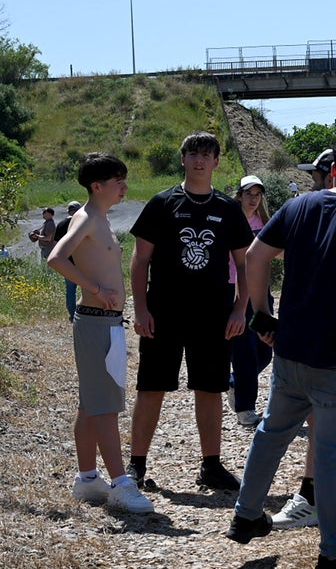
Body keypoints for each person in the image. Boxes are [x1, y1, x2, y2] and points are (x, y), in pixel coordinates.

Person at [226, 131, 336, 569]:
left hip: (290, 352)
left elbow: (255, 257)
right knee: (333, 454)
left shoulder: (299, 205)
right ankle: (335, 551)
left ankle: (246, 516)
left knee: (271, 433)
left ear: (333, 170)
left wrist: (262, 316)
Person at [127, 131, 254, 492]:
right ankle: (136, 466)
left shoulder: (228, 208)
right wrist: (140, 308)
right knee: (151, 386)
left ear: (217, 162)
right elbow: (140, 260)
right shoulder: (162, 203)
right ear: (183, 159)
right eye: (193, 154)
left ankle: (210, 465)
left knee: (210, 388)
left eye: (207, 154)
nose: (199, 160)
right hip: (163, 311)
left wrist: (240, 309)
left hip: (214, 314)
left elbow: (243, 264)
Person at [48, 152, 154, 514]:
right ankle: (122, 484)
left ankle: (88, 478)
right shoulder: (87, 218)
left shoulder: (100, 218)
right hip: (95, 320)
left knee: (90, 402)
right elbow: (56, 257)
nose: (124, 187)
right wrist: (95, 288)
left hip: (103, 322)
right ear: (97, 186)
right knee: (106, 405)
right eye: (118, 181)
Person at [228, 176, 274, 427]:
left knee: (265, 351)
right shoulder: (230, 220)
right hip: (236, 290)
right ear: (239, 195)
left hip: (261, 290)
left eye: (257, 194)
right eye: (249, 193)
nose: (253, 199)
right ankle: (245, 409)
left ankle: (235, 382)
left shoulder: (264, 222)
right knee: (244, 351)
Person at [54, 201, 83, 321]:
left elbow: (56, 245)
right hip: (82, 262)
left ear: (68, 210)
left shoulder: (60, 224)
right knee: (87, 288)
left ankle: (73, 314)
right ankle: (84, 314)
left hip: (67, 263)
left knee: (70, 290)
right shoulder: (81, 223)